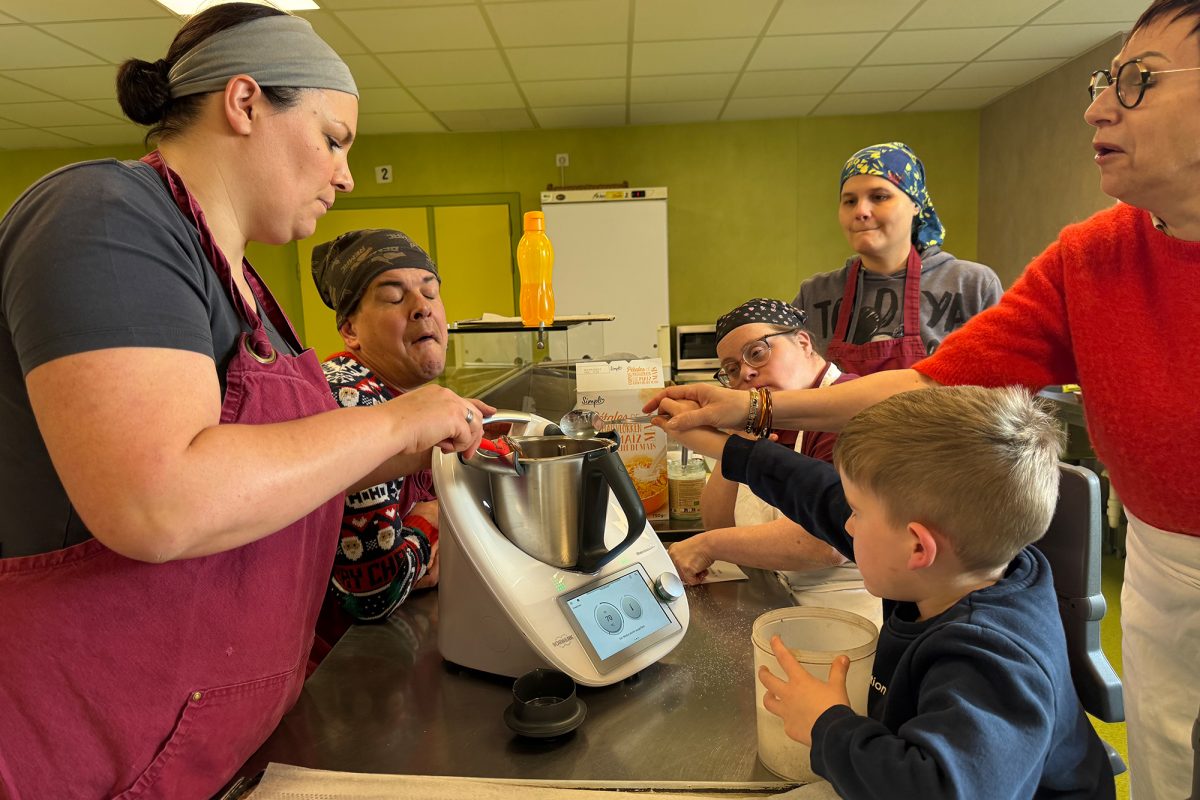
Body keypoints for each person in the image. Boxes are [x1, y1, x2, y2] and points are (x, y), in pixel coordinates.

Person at [647, 2, 1200, 794]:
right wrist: (738, 426)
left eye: (1139, 81)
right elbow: (903, 410)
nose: (1097, 107)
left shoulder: (979, 644)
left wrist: (829, 726)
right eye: (1104, 81)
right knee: (1170, 766)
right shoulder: (1092, 261)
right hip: (1155, 567)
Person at [0, 6, 490, 798]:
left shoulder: (254, 295)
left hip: (210, 749)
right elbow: (156, 498)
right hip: (83, 750)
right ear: (245, 102)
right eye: (334, 138)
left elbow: (256, 480)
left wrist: (384, 453)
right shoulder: (103, 214)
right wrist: (394, 418)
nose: (346, 174)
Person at [658, 386, 1115, 797]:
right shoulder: (955, 570)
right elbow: (819, 493)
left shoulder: (989, 658)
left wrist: (827, 725)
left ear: (918, 544)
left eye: (858, 512)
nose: (846, 523)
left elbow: (941, 789)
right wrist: (730, 449)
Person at [667, 298, 881, 628]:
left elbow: (823, 544)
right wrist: (738, 440)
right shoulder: (767, 418)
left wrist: (709, 546)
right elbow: (717, 521)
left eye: (757, 353)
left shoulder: (847, 411)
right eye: (732, 370)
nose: (747, 373)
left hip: (850, 615)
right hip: (789, 602)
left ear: (803, 342)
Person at [309, 228, 449, 658]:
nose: (422, 308)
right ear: (350, 330)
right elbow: (374, 590)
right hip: (343, 668)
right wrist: (433, 524)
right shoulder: (351, 398)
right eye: (394, 297)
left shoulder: (403, 396)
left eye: (431, 292)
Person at [794, 141, 1001, 375]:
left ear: (916, 204)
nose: (861, 211)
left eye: (879, 197)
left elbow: (1005, 388)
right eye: (850, 201)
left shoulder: (972, 285)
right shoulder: (813, 295)